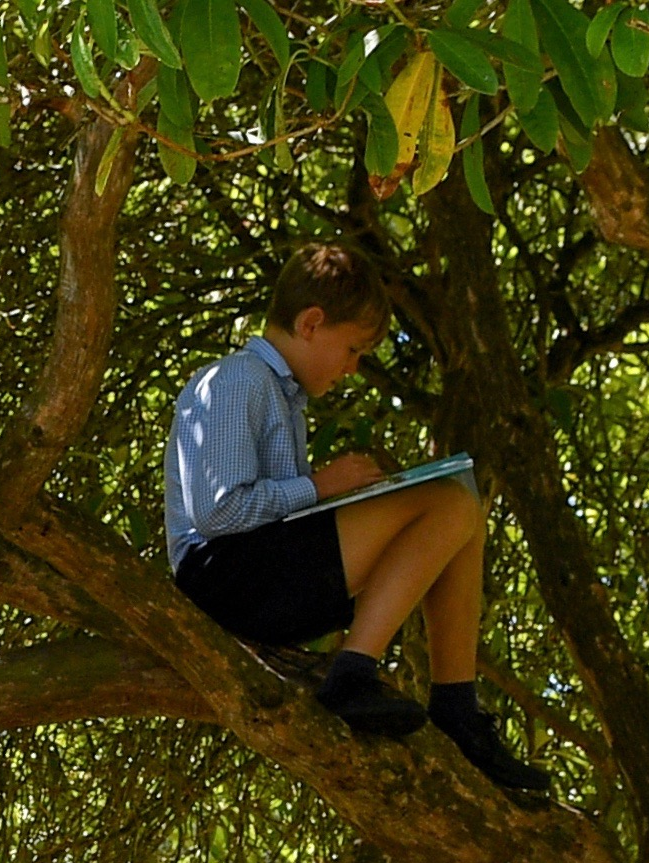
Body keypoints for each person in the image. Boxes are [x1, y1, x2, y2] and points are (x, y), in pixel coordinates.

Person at [158, 241, 532, 793]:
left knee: (460, 510)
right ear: (311, 323)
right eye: (353, 349)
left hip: (260, 572)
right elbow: (218, 511)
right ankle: (353, 675)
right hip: (222, 578)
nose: (353, 369)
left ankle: (457, 705)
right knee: (451, 500)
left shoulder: (284, 398)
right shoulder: (237, 381)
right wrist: (319, 487)